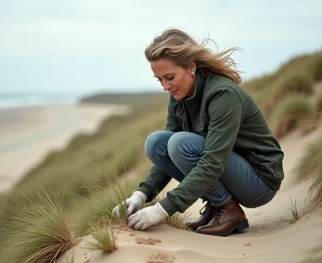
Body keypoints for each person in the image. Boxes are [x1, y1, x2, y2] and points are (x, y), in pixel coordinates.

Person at [112, 28, 284, 237]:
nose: (165, 86)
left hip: (258, 183)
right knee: (156, 143)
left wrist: (163, 209)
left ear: (191, 67)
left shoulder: (222, 94)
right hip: (226, 170)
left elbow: (213, 161)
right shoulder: (179, 97)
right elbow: (166, 155)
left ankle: (229, 211)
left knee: (180, 143)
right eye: (160, 80)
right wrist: (142, 193)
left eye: (170, 77)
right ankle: (218, 205)